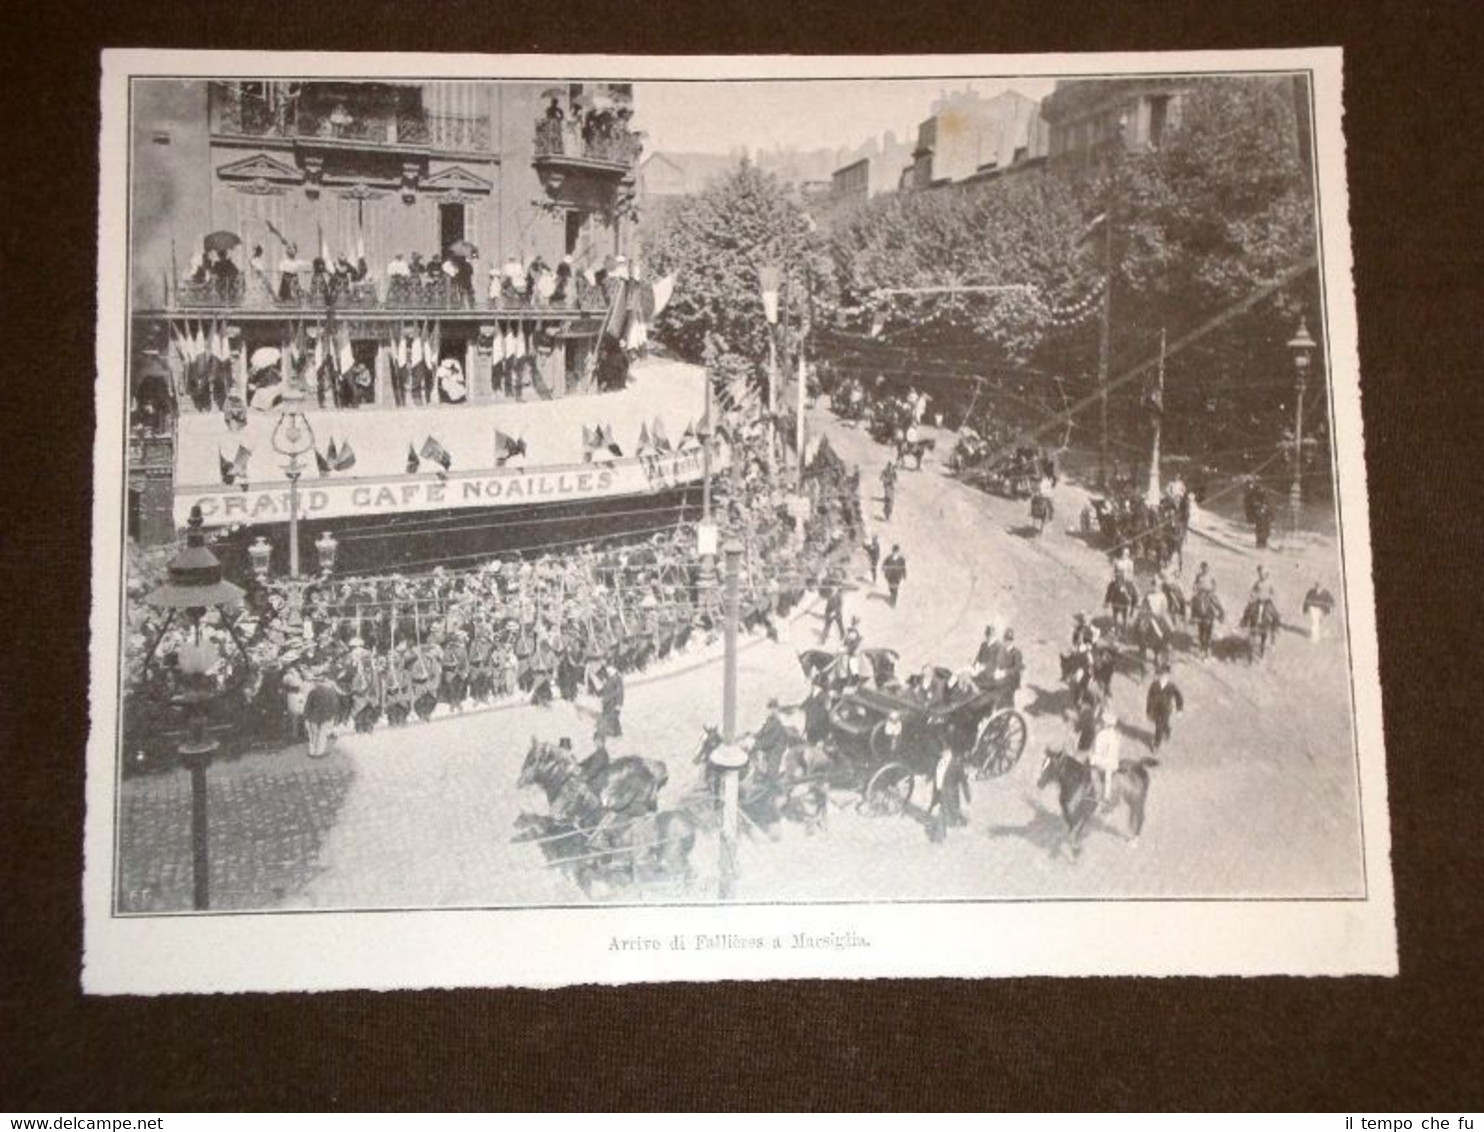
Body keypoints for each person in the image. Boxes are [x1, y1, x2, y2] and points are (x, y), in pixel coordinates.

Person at [1145, 665, 1185, 751]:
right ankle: (1167, 730)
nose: (1163, 676)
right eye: (1162, 674)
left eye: (1166, 675)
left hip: (1166, 710)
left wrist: (1179, 709)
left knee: (1159, 726)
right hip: (1156, 709)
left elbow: (1179, 697)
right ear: (1159, 674)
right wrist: (1148, 710)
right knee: (1162, 724)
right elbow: (1149, 698)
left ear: (1168, 676)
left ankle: (1156, 745)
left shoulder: (1171, 686)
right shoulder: (1154, 685)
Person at [1090, 704, 1121, 805]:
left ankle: (1095, 793)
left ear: (1106, 724)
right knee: (1108, 776)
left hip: (1104, 762)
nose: (1102, 724)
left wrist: (1092, 758)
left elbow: (1098, 752)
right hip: (1114, 763)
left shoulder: (1102, 735)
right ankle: (1106, 796)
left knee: (1090, 768)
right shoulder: (1116, 735)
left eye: (1103, 722)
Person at [882, 544, 907, 608]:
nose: (895, 552)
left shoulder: (901, 559)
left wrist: (904, 574)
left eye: (896, 551)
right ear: (892, 551)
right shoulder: (889, 558)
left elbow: (903, 567)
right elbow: (884, 563)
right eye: (894, 551)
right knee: (891, 588)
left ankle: (893, 603)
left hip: (897, 576)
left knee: (895, 588)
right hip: (889, 576)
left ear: (898, 551)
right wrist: (883, 568)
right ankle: (892, 594)